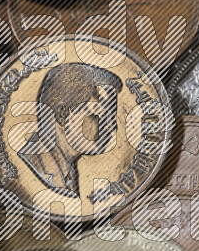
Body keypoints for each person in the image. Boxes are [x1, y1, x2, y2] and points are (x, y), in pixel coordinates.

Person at [18, 63, 122, 198]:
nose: (112, 127)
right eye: (100, 117)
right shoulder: (34, 169)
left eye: (111, 118)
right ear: (63, 115)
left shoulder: (68, 173)